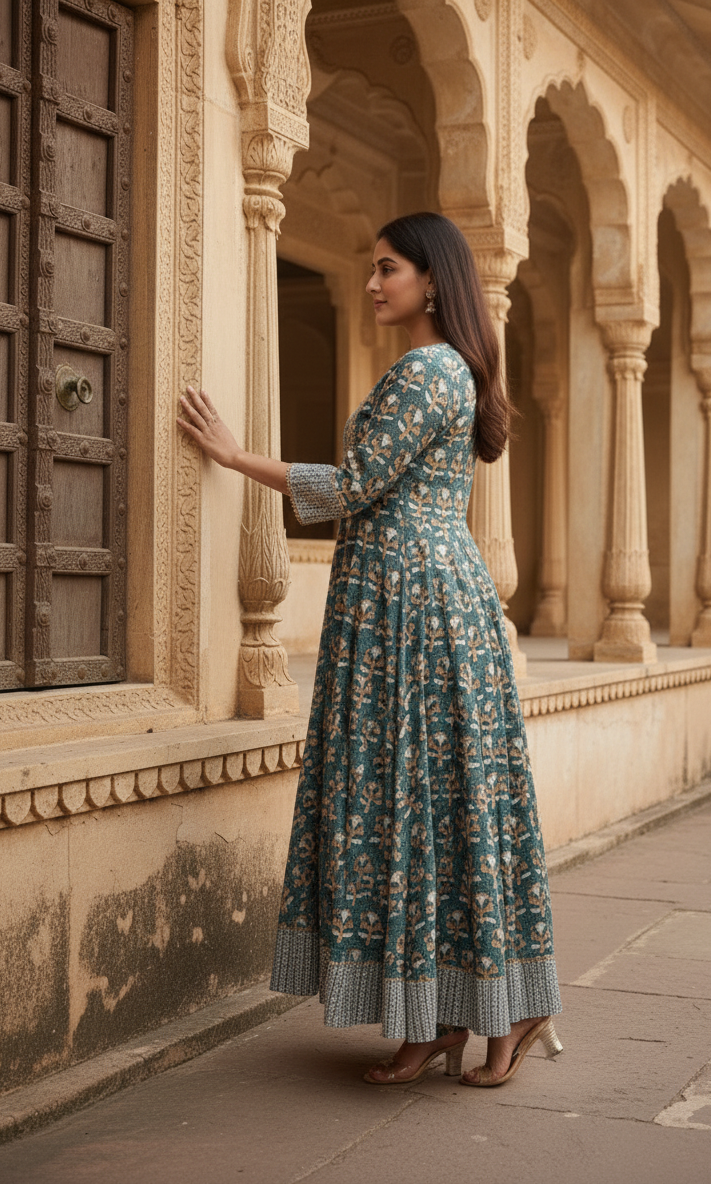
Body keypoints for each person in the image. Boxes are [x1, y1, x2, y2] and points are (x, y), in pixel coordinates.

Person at [177, 211, 563, 1087]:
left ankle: (498, 1011)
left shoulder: (428, 369)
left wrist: (236, 456)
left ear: (434, 280)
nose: (372, 281)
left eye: (387, 267)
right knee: (433, 807)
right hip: (418, 601)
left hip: (416, 613)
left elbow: (355, 488)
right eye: (372, 267)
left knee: (422, 803)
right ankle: (441, 1020)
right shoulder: (446, 369)